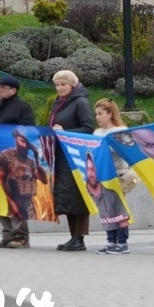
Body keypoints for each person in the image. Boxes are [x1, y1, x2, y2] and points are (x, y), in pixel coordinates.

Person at [0, 75, 37, 249]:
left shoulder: (21, 108)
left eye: (3, 87)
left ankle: (21, 236)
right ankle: (7, 234)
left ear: (13, 90)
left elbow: (30, 132)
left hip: (16, 164)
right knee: (1, 199)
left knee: (17, 199)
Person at [49, 69, 95, 251]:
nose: (60, 88)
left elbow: (89, 127)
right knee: (67, 196)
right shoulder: (59, 103)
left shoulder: (80, 102)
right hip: (62, 155)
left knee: (77, 196)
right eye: (57, 84)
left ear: (72, 85)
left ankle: (80, 237)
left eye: (63, 84)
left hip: (76, 155)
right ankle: (73, 237)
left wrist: (65, 132)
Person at [92, 98, 139, 255]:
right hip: (102, 176)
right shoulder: (97, 133)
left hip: (117, 175)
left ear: (110, 113)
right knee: (106, 210)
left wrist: (109, 147)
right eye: (96, 114)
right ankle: (111, 241)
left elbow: (126, 151)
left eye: (100, 114)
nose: (97, 117)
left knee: (118, 208)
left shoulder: (120, 131)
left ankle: (122, 242)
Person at [0, 128, 48, 248]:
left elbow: (43, 180)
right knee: (4, 209)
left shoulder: (30, 161)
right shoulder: (6, 156)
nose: (24, 145)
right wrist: (10, 199)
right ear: (15, 139)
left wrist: (40, 172)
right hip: (8, 191)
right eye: (21, 141)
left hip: (25, 197)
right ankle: (8, 235)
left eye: (26, 143)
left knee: (21, 211)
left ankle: (21, 237)